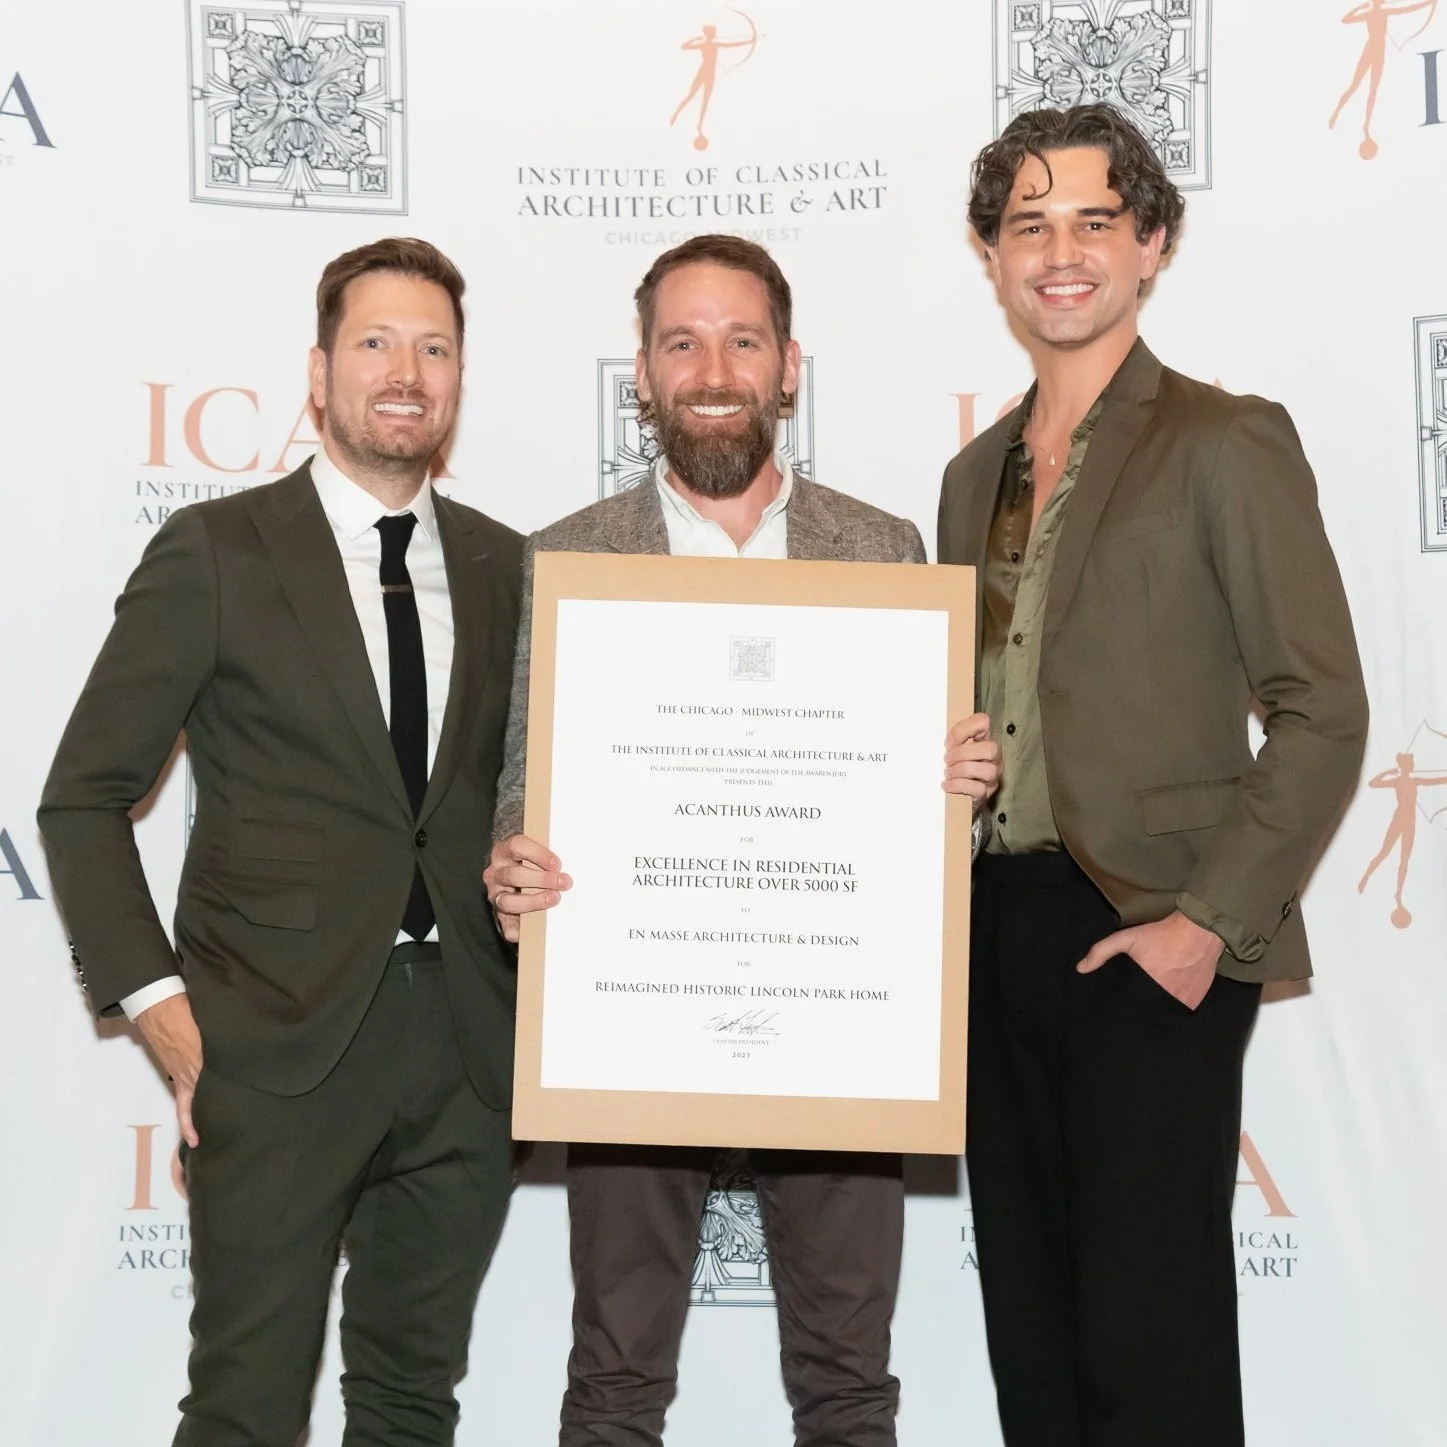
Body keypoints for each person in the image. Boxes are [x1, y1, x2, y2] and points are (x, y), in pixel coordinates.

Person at [485, 233, 999, 1447]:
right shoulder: (564, 555)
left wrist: (959, 794)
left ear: (787, 367)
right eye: (681, 341)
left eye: (741, 338)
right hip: (628, 1014)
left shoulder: (884, 551)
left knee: (847, 1386)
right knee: (611, 1383)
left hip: (840, 1023)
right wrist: (512, 857)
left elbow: (927, 817)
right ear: (644, 375)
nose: (711, 366)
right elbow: (523, 773)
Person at [38, 237, 523, 1446]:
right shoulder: (217, 551)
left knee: (413, 1403)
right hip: (273, 1047)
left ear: (458, 378)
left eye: (433, 348)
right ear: (318, 373)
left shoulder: (509, 566)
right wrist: (154, 1001)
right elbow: (81, 795)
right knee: (248, 1409)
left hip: (470, 1044)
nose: (404, 371)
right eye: (375, 343)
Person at [937, 105, 1368, 1447]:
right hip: (987, 932)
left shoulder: (1221, 440)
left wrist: (1204, 925)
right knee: (1032, 1334)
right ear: (990, 256)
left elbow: (1320, 705)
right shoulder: (965, 478)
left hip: (1150, 929)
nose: (1056, 251)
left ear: (1149, 244)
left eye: (1089, 221)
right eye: (1026, 225)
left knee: (1149, 1344)